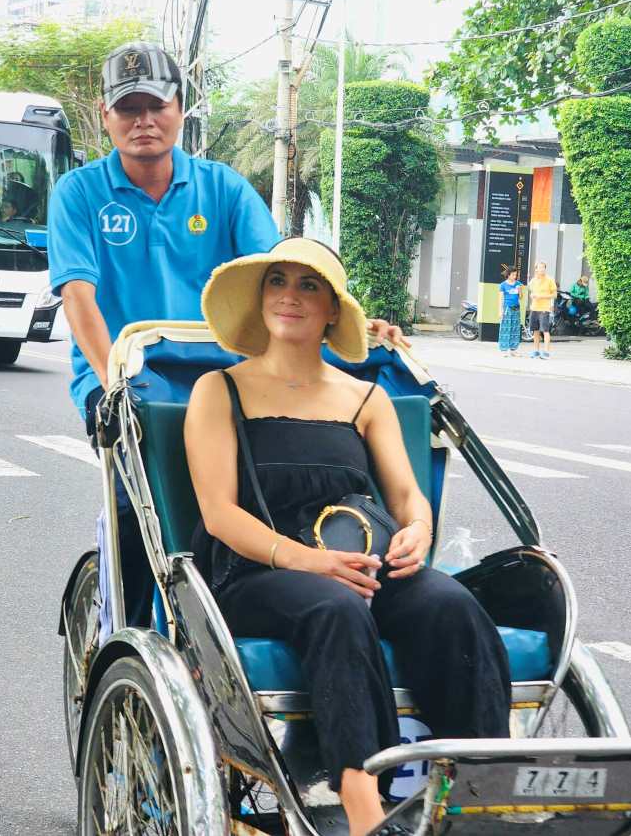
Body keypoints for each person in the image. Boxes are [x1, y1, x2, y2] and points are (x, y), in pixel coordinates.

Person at [48, 41, 403, 625]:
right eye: (128, 109)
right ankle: (131, 638)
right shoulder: (80, 194)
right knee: (144, 506)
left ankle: (246, 609)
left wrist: (351, 320)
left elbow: (283, 280)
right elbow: (79, 297)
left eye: (156, 106)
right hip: (127, 376)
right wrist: (114, 379)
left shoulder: (224, 188)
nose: (144, 121)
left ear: (180, 109)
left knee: (269, 484)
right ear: (106, 116)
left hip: (226, 377)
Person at [185, 238, 511, 836]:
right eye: (277, 281)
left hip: (361, 564)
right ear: (259, 300)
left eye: (309, 286)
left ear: (333, 309)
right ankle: (364, 808)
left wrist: (418, 528)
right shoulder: (219, 390)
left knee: (450, 605)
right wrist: (308, 561)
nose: (290, 296)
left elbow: (407, 495)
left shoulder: (365, 397)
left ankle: (481, 792)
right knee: (334, 606)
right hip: (258, 574)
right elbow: (218, 514)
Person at [527, 261, 557, 359]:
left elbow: (554, 295)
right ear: (536, 269)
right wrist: (532, 295)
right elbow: (531, 292)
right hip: (534, 308)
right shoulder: (533, 280)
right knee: (535, 330)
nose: (542, 269)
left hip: (545, 309)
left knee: (545, 330)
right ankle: (536, 351)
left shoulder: (550, 280)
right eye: (540, 268)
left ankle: (546, 352)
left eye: (543, 267)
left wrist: (541, 296)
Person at [497, 267, 522, 355]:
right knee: (505, 328)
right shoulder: (503, 285)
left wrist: (520, 290)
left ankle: (513, 350)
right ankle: (504, 350)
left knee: (515, 329)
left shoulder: (518, 283)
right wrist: (500, 311)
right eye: (513, 275)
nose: (515, 276)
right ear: (508, 275)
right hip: (507, 308)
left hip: (516, 308)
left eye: (516, 275)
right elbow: (501, 299)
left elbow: (521, 297)